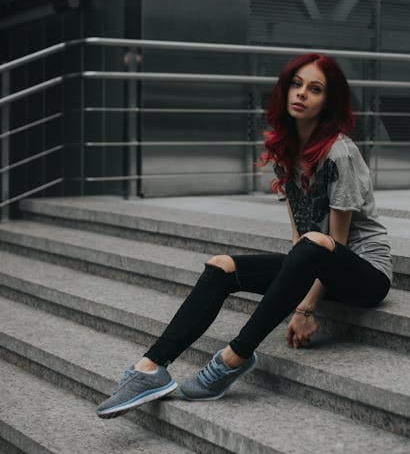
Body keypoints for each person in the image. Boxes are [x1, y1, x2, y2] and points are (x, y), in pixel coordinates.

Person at [96, 53, 391, 418]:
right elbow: (300, 234)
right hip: (313, 257)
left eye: (314, 90)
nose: (301, 95)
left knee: (314, 243)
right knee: (222, 266)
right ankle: (149, 368)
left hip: (364, 273)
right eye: (296, 85)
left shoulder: (339, 153)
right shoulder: (286, 152)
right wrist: (294, 281)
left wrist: (304, 307)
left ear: (327, 103)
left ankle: (233, 358)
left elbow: (336, 242)